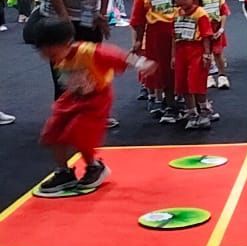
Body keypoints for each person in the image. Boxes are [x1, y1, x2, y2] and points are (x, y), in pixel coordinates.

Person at [29, 16, 154, 195]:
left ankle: (94, 167)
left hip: (96, 99)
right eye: (43, 51)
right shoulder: (57, 55)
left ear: (66, 43)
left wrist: (142, 63)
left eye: (50, 51)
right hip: (71, 97)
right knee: (53, 131)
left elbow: (117, 55)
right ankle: (64, 172)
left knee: (80, 132)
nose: (47, 55)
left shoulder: (88, 52)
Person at [129, 0, 178, 120]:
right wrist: (138, 40)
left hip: (176, 33)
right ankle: (162, 101)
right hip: (155, 35)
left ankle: (175, 102)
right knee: (158, 71)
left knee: (174, 70)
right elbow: (138, 18)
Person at [171, 0, 213, 131]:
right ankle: (191, 113)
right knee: (183, 85)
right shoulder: (176, 14)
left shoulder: (200, 14)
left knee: (196, 84)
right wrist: (173, 56)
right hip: (182, 52)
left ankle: (204, 111)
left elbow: (206, 36)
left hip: (196, 51)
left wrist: (207, 54)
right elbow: (174, 37)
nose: (180, 1)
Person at [197, 0, 231, 90]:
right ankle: (207, 77)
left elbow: (223, 11)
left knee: (218, 53)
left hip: (216, 28)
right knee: (204, 54)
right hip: (203, 30)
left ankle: (222, 76)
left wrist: (221, 28)